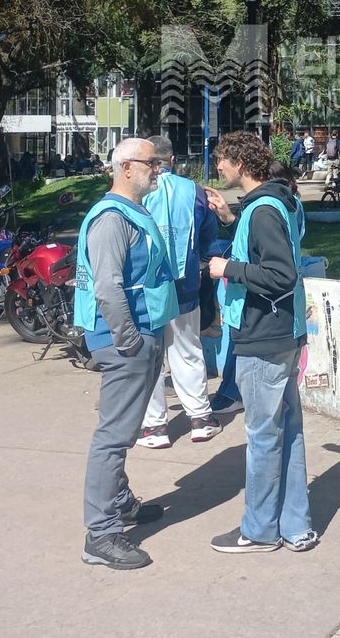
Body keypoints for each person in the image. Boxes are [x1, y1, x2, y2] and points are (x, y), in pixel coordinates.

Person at [206, 132, 317, 555]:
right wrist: (233, 222)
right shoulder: (273, 201)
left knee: (264, 435)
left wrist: (226, 268)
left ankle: (259, 530)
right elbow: (268, 251)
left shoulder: (265, 209)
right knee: (287, 430)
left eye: (222, 160)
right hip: (281, 333)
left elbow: (280, 273)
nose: (218, 168)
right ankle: (295, 526)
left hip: (263, 335)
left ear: (239, 161)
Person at [74, 137, 174, 570]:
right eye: (152, 163)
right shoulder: (112, 219)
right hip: (124, 341)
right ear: (127, 167)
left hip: (141, 334)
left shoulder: (131, 211)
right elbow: (107, 287)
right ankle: (102, 533)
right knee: (113, 436)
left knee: (124, 430)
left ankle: (119, 502)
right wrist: (130, 339)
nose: (159, 169)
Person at [137, 137, 223, 450]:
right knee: (187, 350)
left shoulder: (139, 190)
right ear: (173, 158)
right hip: (186, 284)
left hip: (146, 289)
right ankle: (200, 419)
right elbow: (208, 234)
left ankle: (154, 426)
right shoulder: (194, 191)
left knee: (150, 358)